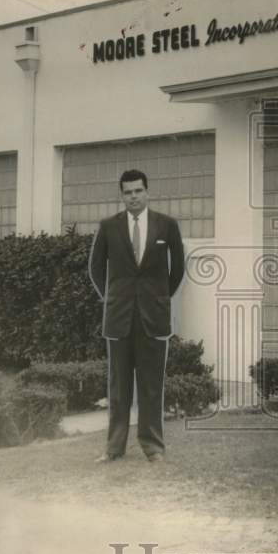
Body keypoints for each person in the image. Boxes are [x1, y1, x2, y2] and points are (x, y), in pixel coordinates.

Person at [88, 169, 185, 462]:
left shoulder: (166, 226)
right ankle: (114, 449)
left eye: (138, 191)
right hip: (119, 318)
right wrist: (113, 298)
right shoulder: (108, 226)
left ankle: (153, 447)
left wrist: (158, 297)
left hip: (153, 318)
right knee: (118, 388)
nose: (133, 197)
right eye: (127, 192)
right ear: (122, 195)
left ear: (147, 191)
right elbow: (96, 268)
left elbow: (177, 268)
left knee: (151, 386)